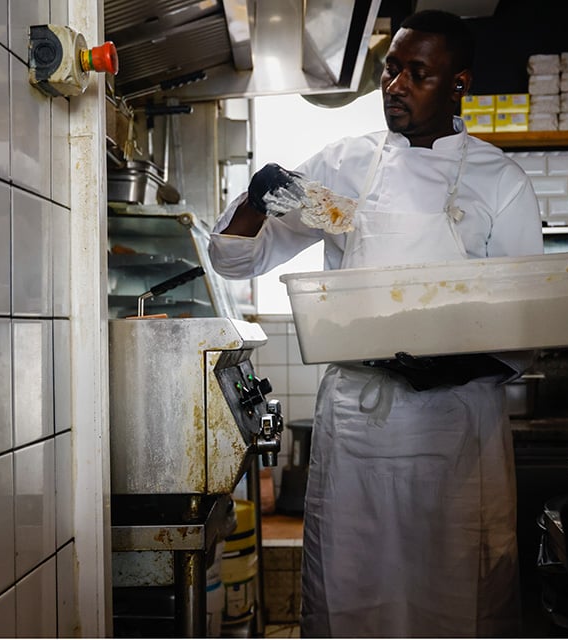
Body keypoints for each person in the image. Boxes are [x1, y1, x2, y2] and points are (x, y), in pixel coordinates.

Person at [208, 9, 542, 637]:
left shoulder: (501, 181)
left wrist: (451, 365)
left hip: (457, 430)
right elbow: (235, 258)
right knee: (353, 591)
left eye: (418, 74)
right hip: (361, 424)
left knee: (455, 594)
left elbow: (524, 324)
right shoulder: (345, 167)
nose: (395, 86)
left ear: (458, 83)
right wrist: (257, 198)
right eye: (392, 69)